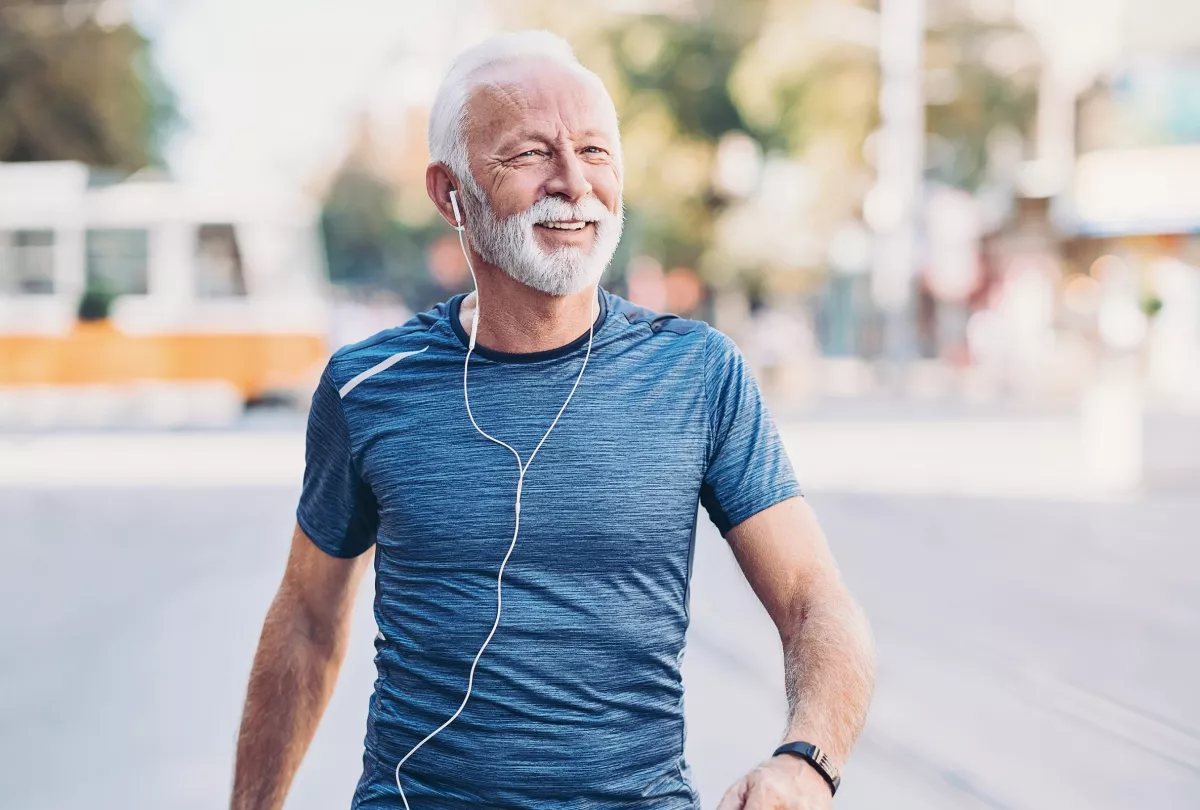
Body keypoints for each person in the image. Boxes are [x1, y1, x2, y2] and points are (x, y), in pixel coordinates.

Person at [230, 31, 875, 810]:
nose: (574, 183)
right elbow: (306, 618)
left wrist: (807, 761)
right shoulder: (369, 386)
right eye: (530, 154)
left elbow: (815, 600)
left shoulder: (700, 375)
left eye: (597, 152)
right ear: (450, 193)